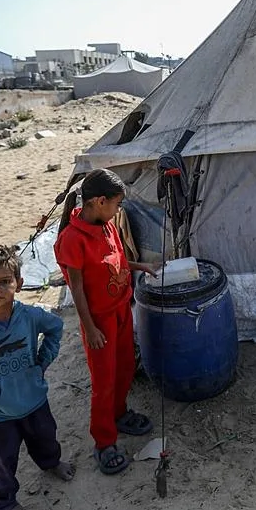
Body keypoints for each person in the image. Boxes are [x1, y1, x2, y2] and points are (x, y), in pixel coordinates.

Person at [0, 245, 75, 510]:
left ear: (18, 284)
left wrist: (43, 361)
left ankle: (51, 463)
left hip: (34, 399)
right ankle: (5, 502)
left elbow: (55, 328)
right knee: (1, 461)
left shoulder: (29, 316)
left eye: (4, 282)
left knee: (46, 437)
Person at [54, 168, 157, 475]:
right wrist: (90, 328)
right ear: (99, 202)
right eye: (115, 204)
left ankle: (119, 412)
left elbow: (118, 261)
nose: (117, 210)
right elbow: (77, 288)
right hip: (98, 319)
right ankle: (104, 441)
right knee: (104, 380)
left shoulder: (106, 225)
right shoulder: (72, 239)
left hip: (121, 308)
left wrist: (143, 266)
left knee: (125, 366)